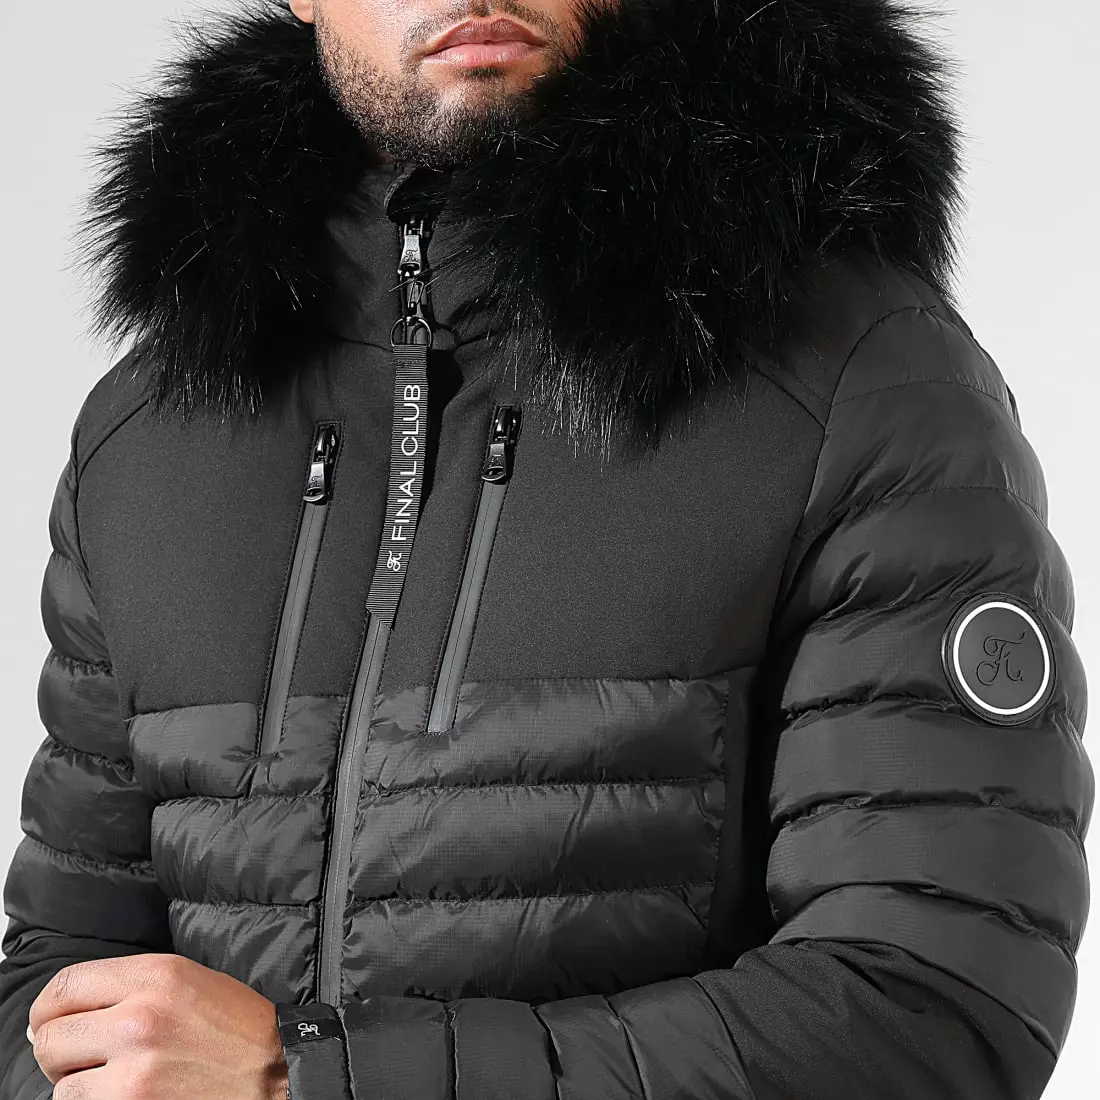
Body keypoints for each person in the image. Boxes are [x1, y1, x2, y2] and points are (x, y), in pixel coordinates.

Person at [0, 0, 1092, 1097]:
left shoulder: (854, 378)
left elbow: (927, 1003)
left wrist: (313, 1080)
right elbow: (52, 979)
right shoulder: (147, 433)